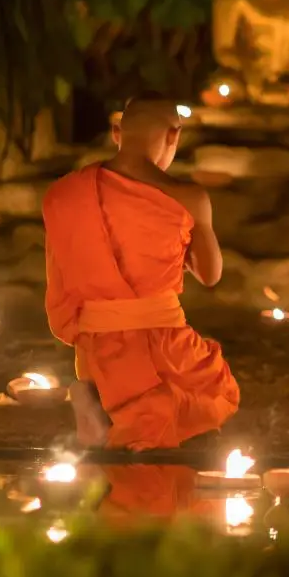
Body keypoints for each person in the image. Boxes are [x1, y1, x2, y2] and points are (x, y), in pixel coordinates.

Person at [43, 94, 240, 451]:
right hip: (162, 341)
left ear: (117, 132)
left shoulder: (66, 195)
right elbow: (211, 275)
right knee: (213, 394)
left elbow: (62, 275)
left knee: (130, 430)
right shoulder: (186, 196)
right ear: (173, 136)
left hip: (96, 348)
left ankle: (95, 399)